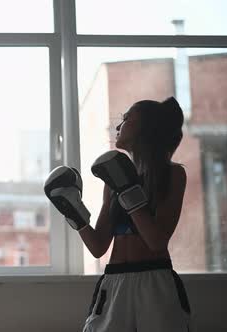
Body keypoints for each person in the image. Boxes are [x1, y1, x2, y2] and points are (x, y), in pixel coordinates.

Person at [44, 96, 192, 332]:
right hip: (115, 281)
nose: (118, 126)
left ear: (146, 129)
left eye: (126, 119)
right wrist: (73, 212)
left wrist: (128, 191)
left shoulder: (173, 174)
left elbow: (156, 241)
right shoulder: (111, 181)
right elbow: (98, 247)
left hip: (154, 280)